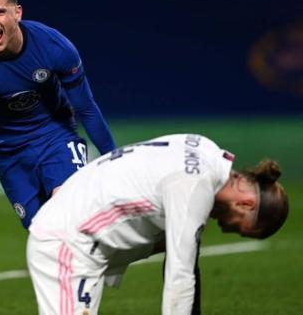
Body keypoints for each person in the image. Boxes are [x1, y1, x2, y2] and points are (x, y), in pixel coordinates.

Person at [27, 134, 289, 314]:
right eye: (238, 227)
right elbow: (180, 277)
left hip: (81, 236)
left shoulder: (205, 150)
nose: (224, 227)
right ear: (247, 204)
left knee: (173, 239)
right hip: (67, 240)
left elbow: (183, 256)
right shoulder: (195, 186)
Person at [0, 0, 116, 231]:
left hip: (54, 136)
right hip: (6, 153)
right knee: (43, 234)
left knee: (68, 208)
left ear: (17, 13)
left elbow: (86, 109)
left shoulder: (53, 47)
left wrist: (115, 162)